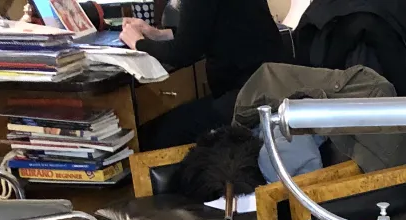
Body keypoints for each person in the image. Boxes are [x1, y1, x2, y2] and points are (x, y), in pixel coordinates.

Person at [121, 1, 288, 149]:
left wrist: (138, 43)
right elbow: (207, 28)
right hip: (272, 84)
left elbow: (182, 53)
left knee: (158, 134)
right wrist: (157, 34)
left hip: (247, 97)